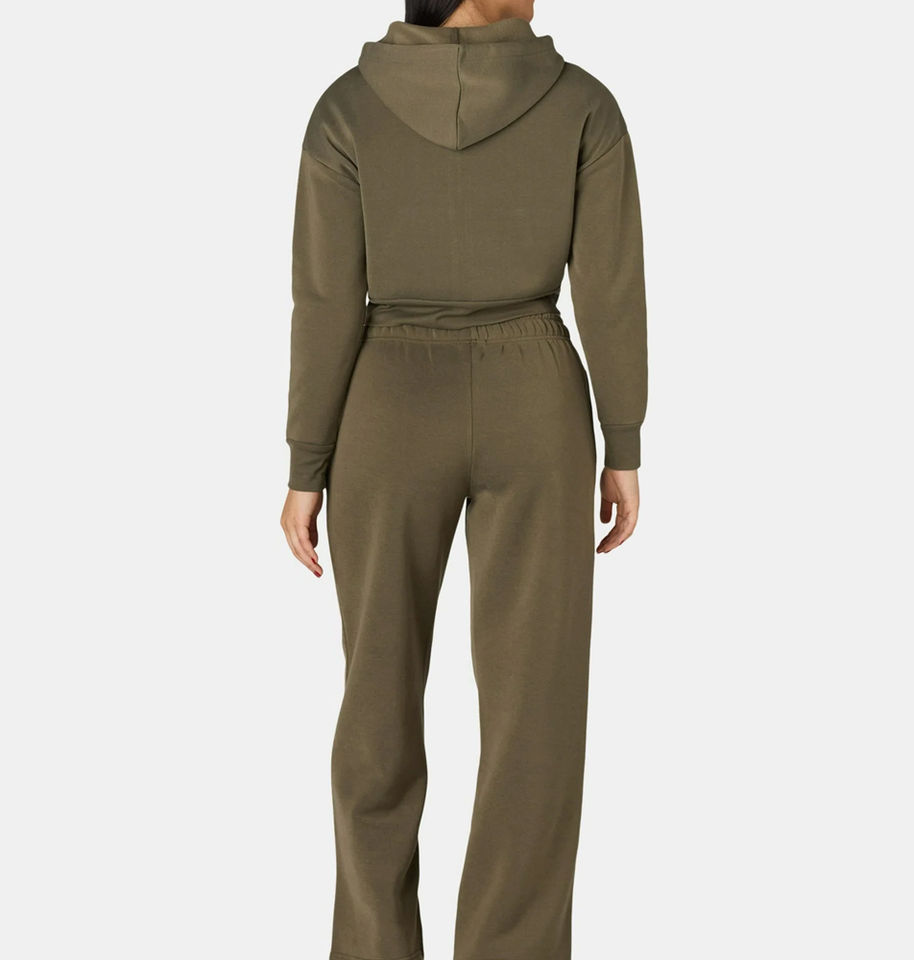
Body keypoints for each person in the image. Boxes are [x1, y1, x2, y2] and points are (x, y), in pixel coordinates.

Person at [280, 0, 647, 957]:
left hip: (386, 404)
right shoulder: (583, 106)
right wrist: (624, 440)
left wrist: (307, 462)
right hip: (537, 400)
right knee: (536, 715)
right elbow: (610, 287)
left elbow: (325, 298)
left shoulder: (346, 109)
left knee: (376, 701)